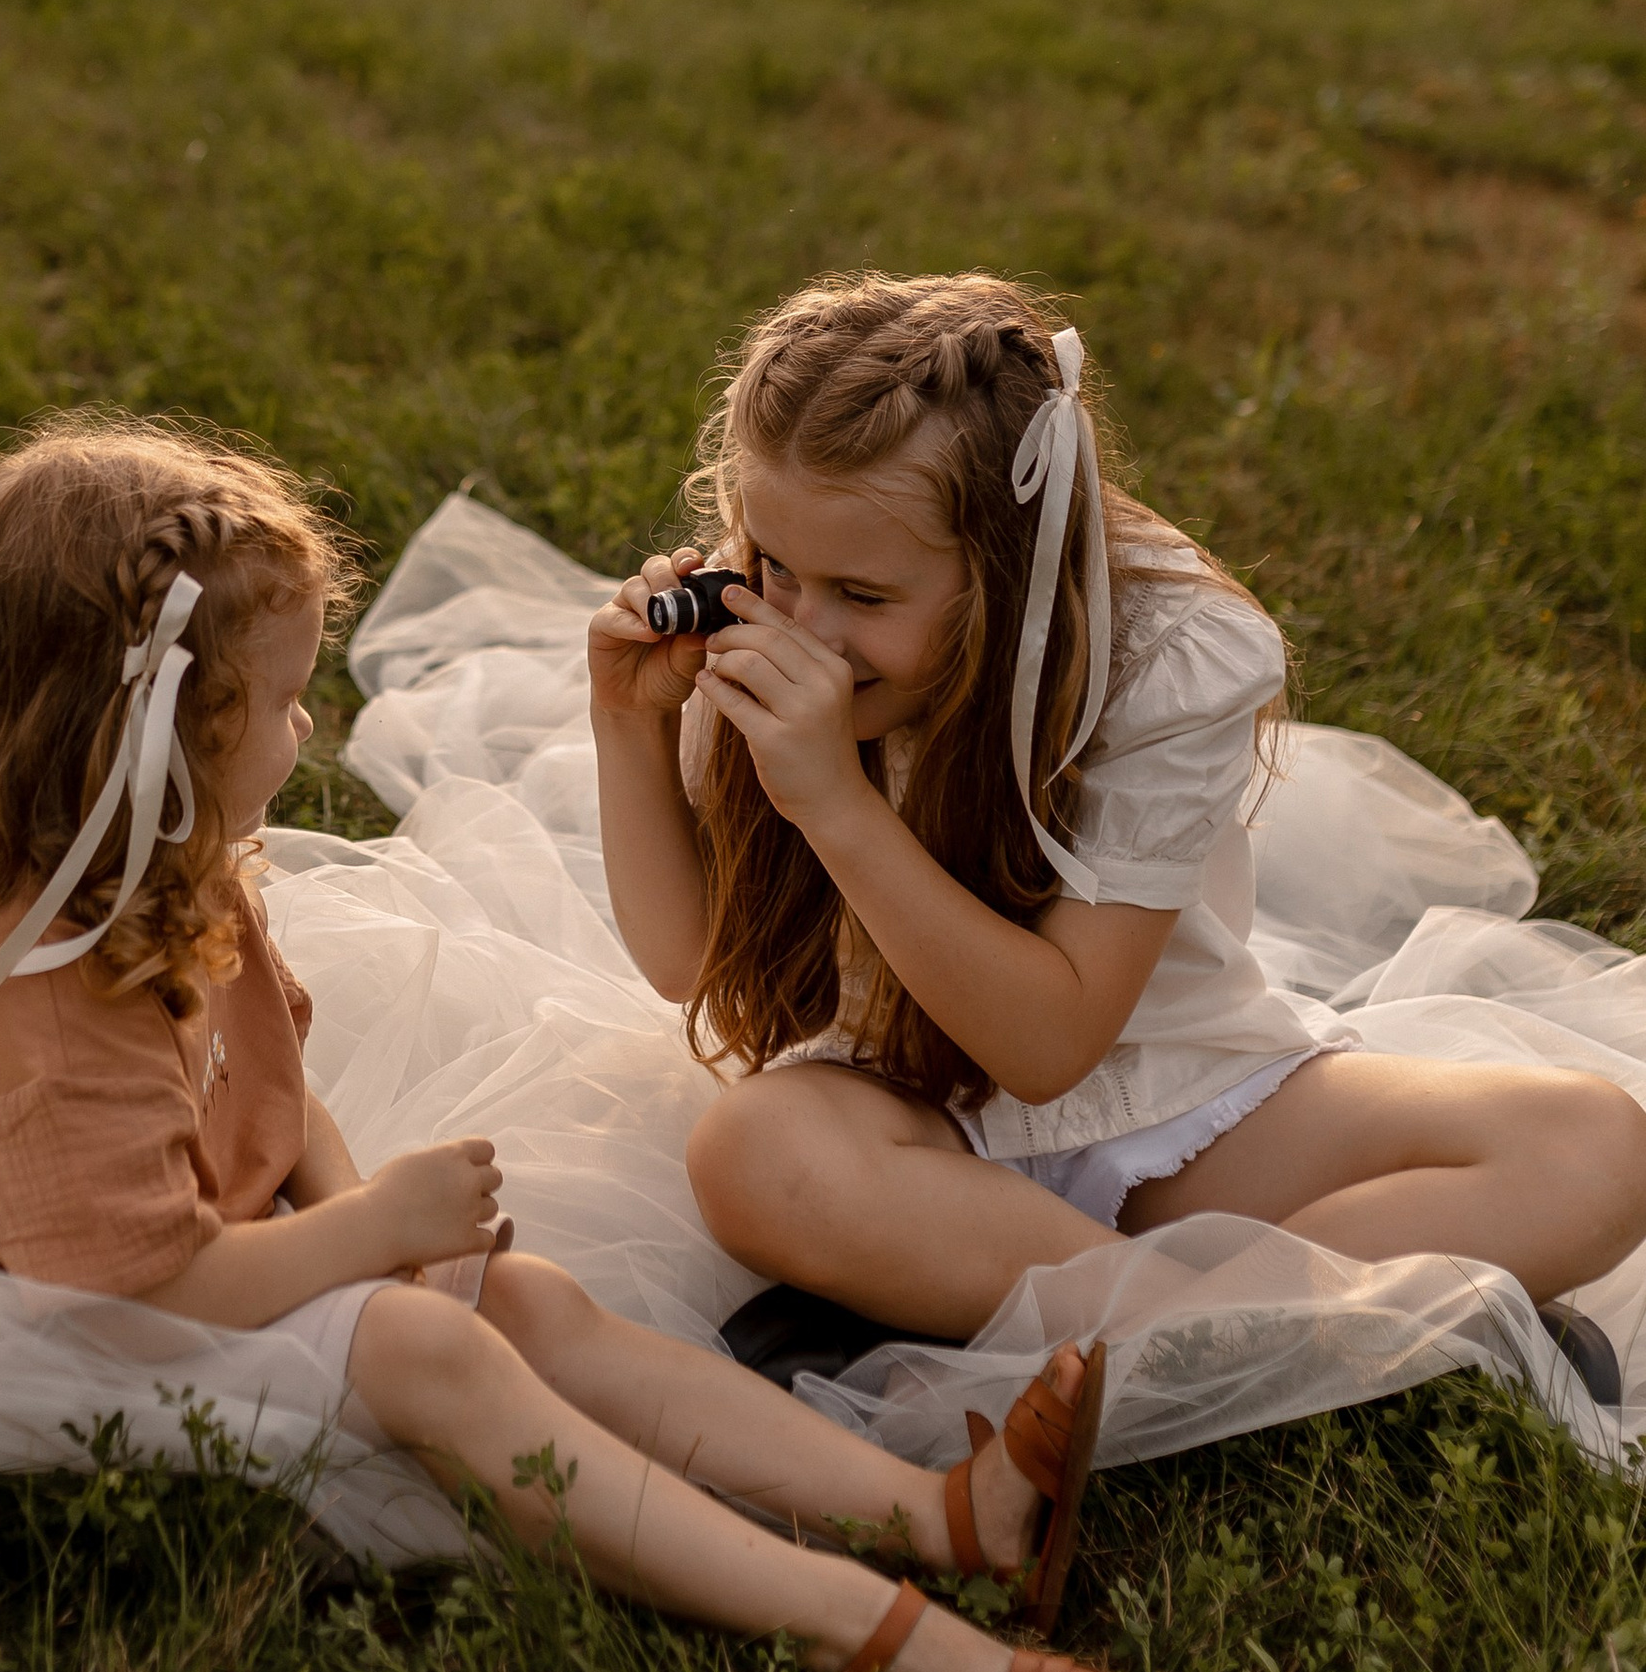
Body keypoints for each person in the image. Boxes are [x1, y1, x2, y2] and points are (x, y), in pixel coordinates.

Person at [0, 410, 1144, 1672]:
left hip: (184, 1267)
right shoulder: (32, 1012)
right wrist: (372, 1233)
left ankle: (938, 1516)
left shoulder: (173, 869)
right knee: (417, 1351)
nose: (303, 725)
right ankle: (885, 1643)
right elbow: (136, 1288)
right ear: (140, 740)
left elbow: (275, 1096)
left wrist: (367, 1222)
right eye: (271, 703)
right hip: (43, 1329)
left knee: (523, 1303)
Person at [591, 272, 1646, 1378]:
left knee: (1595, 1149)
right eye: (776, 569)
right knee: (756, 1155)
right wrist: (627, 725)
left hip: (1175, 1095)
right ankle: (1316, 1326)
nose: (806, 626)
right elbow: (686, 962)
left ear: (1003, 572)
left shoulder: (1168, 652)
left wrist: (838, 806)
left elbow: (1050, 1048)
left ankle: (1062, 1320)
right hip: (899, 1118)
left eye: (863, 595)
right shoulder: (759, 623)